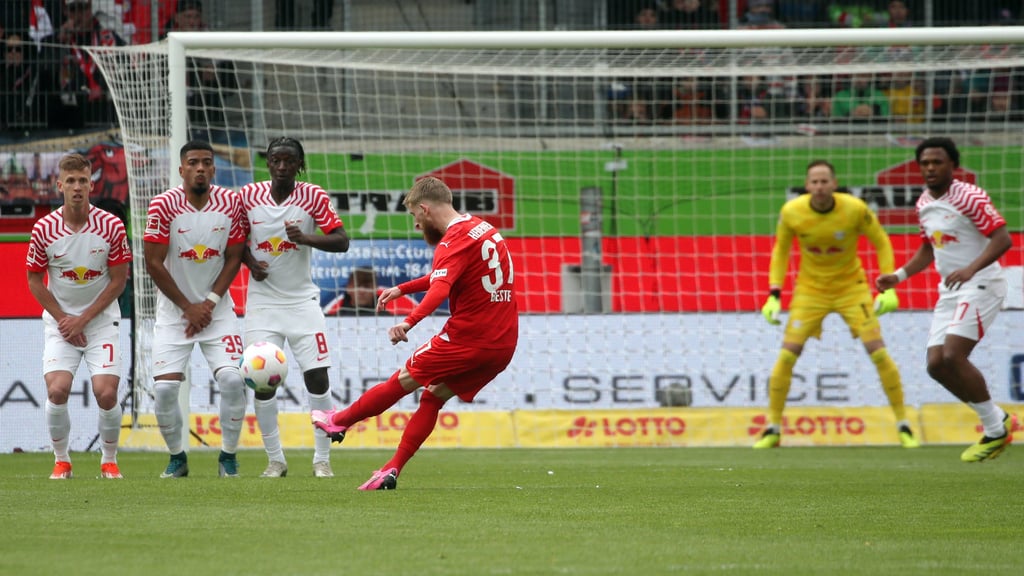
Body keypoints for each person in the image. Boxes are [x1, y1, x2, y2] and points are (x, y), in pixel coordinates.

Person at [312, 176, 519, 490]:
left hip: (467, 339)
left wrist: (408, 322)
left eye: (414, 216)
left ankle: (339, 421)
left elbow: (440, 288)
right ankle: (391, 469)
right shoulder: (482, 229)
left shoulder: (452, 241)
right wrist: (403, 288)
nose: (416, 225)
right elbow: (447, 274)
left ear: (425, 209)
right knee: (432, 396)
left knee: (402, 381)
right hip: (502, 345)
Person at [757, 160, 919, 449]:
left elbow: (881, 241)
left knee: (879, 354)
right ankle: (772, 429)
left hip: (851, 289)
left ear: (834, 183)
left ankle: (904, 425)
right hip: (810, 291)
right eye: (814, 182)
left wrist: (889, 286)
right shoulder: (792, 212)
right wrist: (774, 293)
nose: (819, 187)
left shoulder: (855, 208)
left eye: (824, 181)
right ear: (806, 186)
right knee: (786, 357)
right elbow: (780, 251)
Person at [876, 137, 1015, 462]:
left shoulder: (970, 196)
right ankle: (997, 422)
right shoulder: (924, 202)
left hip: (982, 282)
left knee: (953, 354)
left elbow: (1002, 238)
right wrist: (897, 277)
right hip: (950, 288)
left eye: (937, 162)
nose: (930, 168)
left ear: (952, 165)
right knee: (936, 365)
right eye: (924, 163)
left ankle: (995, 431)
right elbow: (929, 247)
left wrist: (970, 268)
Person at [240, 137, 350, 478]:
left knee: (317, 377)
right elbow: (235, 241)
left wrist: (305, 239)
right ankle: (275, 459)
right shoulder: (248, 196)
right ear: (268, 163)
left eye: (290, 160)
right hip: (262, 303)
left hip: (303, 302)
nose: (283, 166)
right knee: (262, 382)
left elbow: (342, 240)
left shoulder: (313, 195)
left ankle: (322, 460)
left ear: (300, 164)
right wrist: (250, 263)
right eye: (276, 160)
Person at [143, 140, 248, 478]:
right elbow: (153, 263)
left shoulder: (231, 203)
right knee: (164, 389)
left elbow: (234, 258)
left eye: (206, 162)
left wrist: (209, 304)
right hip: (175, 315)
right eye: (193, 162)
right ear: (181, 169)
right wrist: (188, 307)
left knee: (233, 381)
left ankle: (228, 457)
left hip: (217, 312)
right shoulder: (162, 205)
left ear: (214, 169)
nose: (200, 168)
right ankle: (177, 458)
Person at [26, 152, 131, 479]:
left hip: (99, 323)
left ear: (91, 183)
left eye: (82, 181)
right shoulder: (44, 228)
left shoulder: (111, 226)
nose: (77, 187)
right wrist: (64, 320)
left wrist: (82, 320)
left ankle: (109, 460)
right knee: (57, 390)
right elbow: (34, 281)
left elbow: (118, 281)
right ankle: (62, 460)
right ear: (59, 185)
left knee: (106, 392)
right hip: (60, 325)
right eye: (70, 181)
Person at [54, 0, 124, 129]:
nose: (79, 14)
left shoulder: (107, 37)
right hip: (73, 112)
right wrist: (59, 40)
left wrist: (102, 87)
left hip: (106, 109)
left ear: (90, 8)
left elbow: (124, 68)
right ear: (66, 12)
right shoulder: (60, 41)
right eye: (74, 9)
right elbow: (47, 70)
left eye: (83, 8)